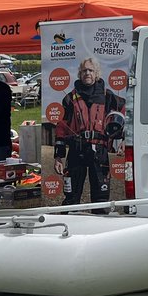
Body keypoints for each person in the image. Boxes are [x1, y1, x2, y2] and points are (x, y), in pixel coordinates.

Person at [54, 57, 126, 206]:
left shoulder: (107, 96)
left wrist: (124, 139)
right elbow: (61, 128)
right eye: (84, 70)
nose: (87, 73)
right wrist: (58, 156)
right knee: (71, 199)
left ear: (96, 73)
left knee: (101, 200)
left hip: (99, 151)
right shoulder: (69, 98)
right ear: (80, 73)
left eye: (90, 70)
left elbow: (125, 113)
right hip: (76, 150)